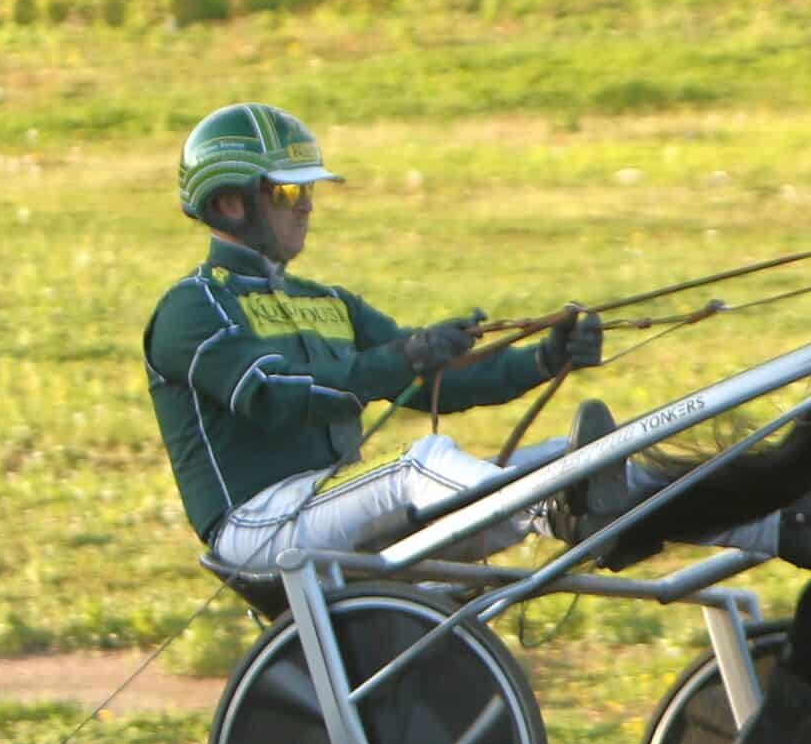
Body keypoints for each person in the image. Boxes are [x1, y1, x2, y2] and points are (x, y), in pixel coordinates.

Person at [143, 103, 642, 580]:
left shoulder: (328, 302)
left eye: (309, 190)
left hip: (333, 506)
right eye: (287, 193)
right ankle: (552, 508)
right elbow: (279, 395)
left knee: (573, 456)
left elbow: (435, 383)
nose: (307, 206)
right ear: (230, 204)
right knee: (418, 465)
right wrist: (402, 358)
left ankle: (660, 505)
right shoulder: (192, 310)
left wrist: (544, 359)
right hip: (256, 528)